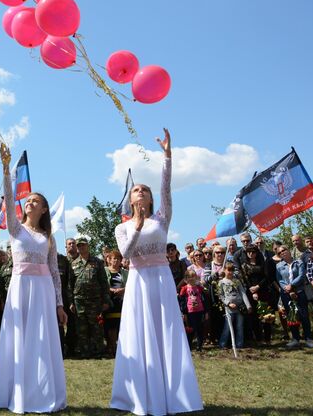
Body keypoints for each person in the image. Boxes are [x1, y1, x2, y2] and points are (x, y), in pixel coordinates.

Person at [110, 129, 203, 415]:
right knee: (139, 331)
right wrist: (136, 225)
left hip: (161, 279)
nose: (141, 192)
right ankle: (138, 393)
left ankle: (174, 392)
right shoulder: (122, 227)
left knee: (165, 331)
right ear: (131, 199)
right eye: (136, 189)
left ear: (150, 199)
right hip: (137, 281)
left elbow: (166, 187)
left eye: (145, 190)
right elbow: (125, 254)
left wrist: (167, 156)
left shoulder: (162, 218)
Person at [0, 143, 68, 414]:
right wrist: (6, 169)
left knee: (41, 339)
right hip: (20, 287)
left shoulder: (48, 238)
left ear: (44, 209)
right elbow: (8, 199)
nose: (30, 202)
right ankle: (15, 390)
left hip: (43, 289)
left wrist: (59, 304)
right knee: (18, 337)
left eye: (36, 201)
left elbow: (54, 272)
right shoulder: (15, 230)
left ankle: (42, 391)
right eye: (28, 200)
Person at [68, 237, 111, 359]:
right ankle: (84, 352)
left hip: (95, 301)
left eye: (83, 245)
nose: (81, 247)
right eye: (79, 245)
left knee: (96, 327)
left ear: (88, 246)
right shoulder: (73, 264)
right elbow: (70, 285)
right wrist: (71, 302)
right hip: (79, 301)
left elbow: (104, 282)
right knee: (81, 328)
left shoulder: (97, 262)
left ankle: (98, 351)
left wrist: (106, 299)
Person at [276, 244, 313, 349]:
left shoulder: (299, 262)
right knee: (292, 316)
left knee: (304, 315)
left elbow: (301, 276)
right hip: (286, 294)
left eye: (284, 250)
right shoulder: (279, 266)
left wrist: (292, 286)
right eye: (280, 252)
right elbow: (280, 280)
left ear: (288, 250)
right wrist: (288, 290)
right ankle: (295, 339)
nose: (282, 253)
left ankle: (308, 338)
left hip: (299, 291)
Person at [240, 243, 272, 345]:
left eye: (253, 252)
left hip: (263, 291)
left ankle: (267, 339)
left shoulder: (263, 263)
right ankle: (258, 339)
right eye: (248, 252)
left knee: (266, 315)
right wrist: (252, 289)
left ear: (256, 252)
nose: (251, 254)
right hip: (250, 293)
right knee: (254, 317)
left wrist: (258, 287)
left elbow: (267, 277)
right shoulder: (244, 265)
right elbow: (245, 279)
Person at [217, 263, 250, 349]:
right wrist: (228, 303)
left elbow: (243, 293)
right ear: (224, 270)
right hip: (229, 309)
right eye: (228, 270)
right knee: (227, 327)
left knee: (240, 326)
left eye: (232, 270)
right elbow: (221, 295)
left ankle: (239, 344)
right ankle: (222, 343)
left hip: (240, 307)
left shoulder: (237, 281)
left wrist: (248, 305)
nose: (230, 272)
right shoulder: (221, 282)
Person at [104, 250, 127, 357]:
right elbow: (101, 284)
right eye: (114, 258)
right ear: (109, 260)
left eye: (118, 258)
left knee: (120, 324)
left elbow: (130, 285)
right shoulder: (104, 271)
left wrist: (123, 289)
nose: (116, 261)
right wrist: (111, 290)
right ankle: (110, 347)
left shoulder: (125, 272)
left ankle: (119, 348)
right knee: (110, 325)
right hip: (109, 301)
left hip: (122, 301)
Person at [179, 269, 206, 351]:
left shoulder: (199, 288)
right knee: (190, 329)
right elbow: (182, 301)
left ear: (196, 277)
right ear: (186, 279)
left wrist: (206, 311)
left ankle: (199, 345)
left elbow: (204, 300)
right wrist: (184, 313)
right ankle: (189, 345)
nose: (191, 278)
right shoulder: (184, 289)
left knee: (199, 328)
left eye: (193, 276)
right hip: (190, 312)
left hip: (200, 311)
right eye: (189, 277)